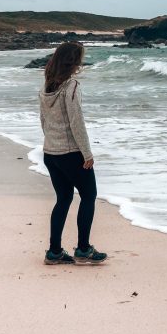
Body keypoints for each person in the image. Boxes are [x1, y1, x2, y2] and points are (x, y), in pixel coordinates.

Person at [39, 41, 107, 266]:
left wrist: (52, 143)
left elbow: (43, 120)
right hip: (70, 153)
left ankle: (55, 252)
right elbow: (77, 123)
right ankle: (84, 249)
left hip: (51, 153)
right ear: (74, 62)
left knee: (64, 199)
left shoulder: (47, 85)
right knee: (88, 196)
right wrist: (87, 153)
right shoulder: (72, 86)